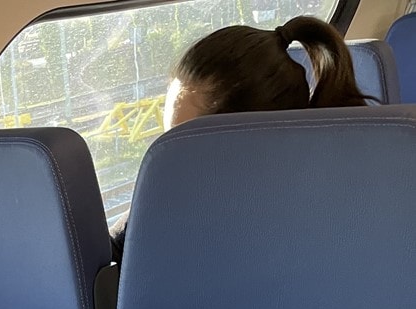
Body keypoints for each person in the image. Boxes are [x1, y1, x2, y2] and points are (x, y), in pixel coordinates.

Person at [111, 17, 369, 258]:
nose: (173, 168)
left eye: (186, 148)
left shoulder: (325, 224)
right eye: (170, 142)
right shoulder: (158, 216)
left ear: (250, 145)